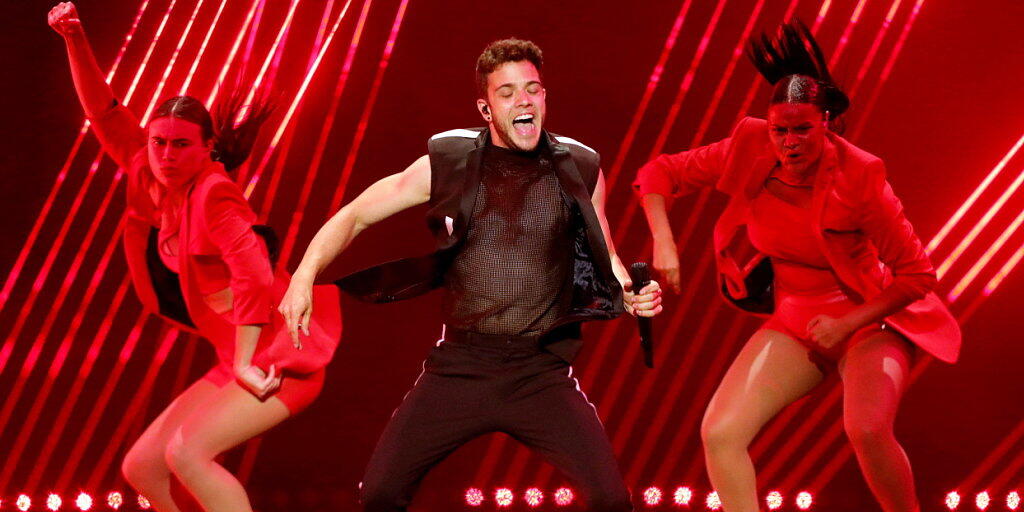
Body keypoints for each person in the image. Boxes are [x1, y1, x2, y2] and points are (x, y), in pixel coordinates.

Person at [278, 38, 662, 512]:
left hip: (539, 371)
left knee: (609, 498)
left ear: (544, 97)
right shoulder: (450, 162)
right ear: (486, 107)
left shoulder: (580, 167)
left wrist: (630, 296)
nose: (524, 100)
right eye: (507, 93)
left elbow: (605, 257)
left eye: (533, 89)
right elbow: (356, 215)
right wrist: (303, 276)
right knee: (380, 494)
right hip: (461, 366)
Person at [633, 20, 960, 512]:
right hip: (794, 320)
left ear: (825, 122)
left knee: (866, 429)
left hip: (870, 321)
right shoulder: (749, 145)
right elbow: (658, 172)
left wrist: (848, 323)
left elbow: (918, 277)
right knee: (721, 432)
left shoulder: (862, 178)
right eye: (780, 130)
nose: (788, 142)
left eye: (802, 129)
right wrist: (664, 240)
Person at [49, 3, 342, 511]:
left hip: (281, 359)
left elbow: (251, 272)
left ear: (208, 148)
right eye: (159, 142)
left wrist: (249, 364)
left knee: (189, 454)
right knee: (142, 466)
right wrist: (74, 38)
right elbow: (103, 110)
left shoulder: (214, 194)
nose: (166, 154)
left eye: (181, 145)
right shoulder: (148, 172)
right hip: (238, 358)